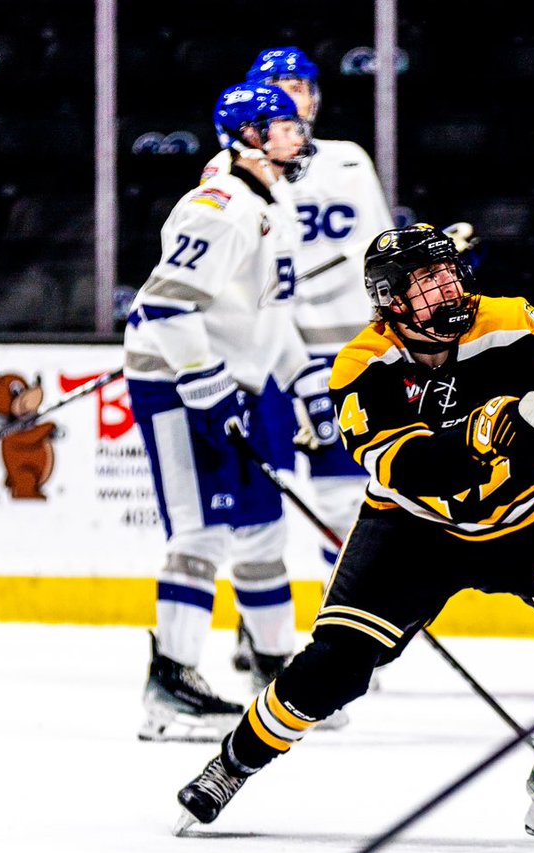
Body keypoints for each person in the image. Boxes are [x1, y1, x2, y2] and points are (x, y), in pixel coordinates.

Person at [174, 223, 534, 841]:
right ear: (391, 300)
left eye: (449, 273)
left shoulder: (508, 320)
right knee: (335, 669)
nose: (448, 289)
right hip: (414, 532)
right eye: (427, 281)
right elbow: (409, 469)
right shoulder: (360, 368)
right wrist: (475, 437)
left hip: (530, 519)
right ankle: (234, 762)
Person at [125, 83, 331, 742]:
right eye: (284, 126)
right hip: (181, 385)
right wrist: (205, 381)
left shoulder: (278, 200)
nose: (299, 135)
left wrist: (305, 381)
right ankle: (171, 685)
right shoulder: (221, 206)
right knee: (200, 533)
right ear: (248, 136)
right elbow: (164, 307)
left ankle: (276, 672)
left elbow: (267, 315)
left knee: (265, 529)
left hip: (238, 381)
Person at [201, 47, 394, 676]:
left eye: (304, 85)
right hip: (268, 359)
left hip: (343, 356)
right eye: (281, 87)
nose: (297, 96)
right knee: (264, 503)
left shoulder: (346, 160)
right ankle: (259, 628)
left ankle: (344, 635)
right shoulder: (228, 174)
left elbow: (375, 246)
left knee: (344, 502)